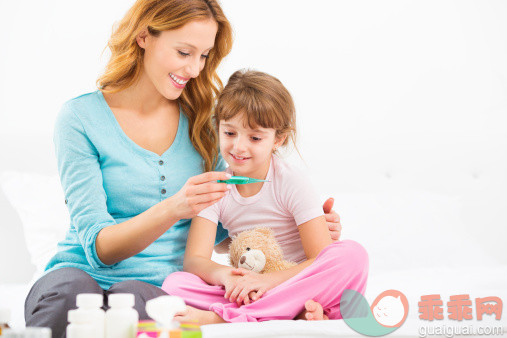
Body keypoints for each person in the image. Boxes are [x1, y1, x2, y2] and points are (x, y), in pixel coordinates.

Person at [24, 1, 342, 336]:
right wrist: (176, 206)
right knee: (68, 300)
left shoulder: (208, 126)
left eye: (204, 56)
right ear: (144, 36)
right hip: (77, 272)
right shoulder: (80, 119)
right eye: (184, 52)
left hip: (160, 284)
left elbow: (225, 227)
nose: (194, 69)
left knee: (142, 310)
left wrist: (297, 225)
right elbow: (100, 249)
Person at [161, 70, 368, 324]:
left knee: (351, 256)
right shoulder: (216, 188)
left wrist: (266, 282)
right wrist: (228, 276)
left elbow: (320, 259)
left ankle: (225, 318)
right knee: (175, 284)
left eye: (255, 137)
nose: (238, 147)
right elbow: (195, 260)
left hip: (294, 282)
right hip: (251, 290)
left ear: (278, 139)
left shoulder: (291, 182)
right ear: (218, 127)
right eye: (229, 133)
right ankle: (289, 312)